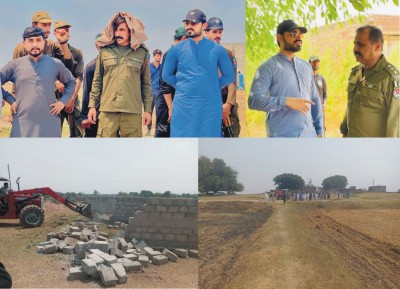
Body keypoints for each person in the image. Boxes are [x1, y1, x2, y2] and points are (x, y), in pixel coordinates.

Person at [162, 9, 235, 137]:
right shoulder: (176, 50)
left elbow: (229, 76)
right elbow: (166, 75)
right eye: (187, 23)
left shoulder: (218, 50)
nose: (189, 26)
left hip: (210, 106)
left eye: (194, 23)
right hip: (183, 105)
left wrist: (212, 85)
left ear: (204, 25)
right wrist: (182, 85)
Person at [248, 19, 323, 137]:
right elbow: (253, 101)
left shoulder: (306, 67)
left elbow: (315, 99)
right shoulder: (267, 68)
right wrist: (285, 101)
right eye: (293, 34)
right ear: (280, 38)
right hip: (282, 137)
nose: (299, 38)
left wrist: (319, 131)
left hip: (309, 135)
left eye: (300, 35)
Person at [0, 27, 76, 137]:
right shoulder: (14, 65)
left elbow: (71, 82)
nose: (35, 44)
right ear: (24, 43)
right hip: (22, 126)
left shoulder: (56, 64)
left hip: (50, 125)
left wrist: (62, 102)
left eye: (38, 40)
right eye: (30, 41)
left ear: (44, 42)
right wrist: (11, 100)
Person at [87, 12, 152, 137]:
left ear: (130, 31)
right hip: (108, 111)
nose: (117, 34)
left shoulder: (141, 53)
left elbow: (146, 84)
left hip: (132, 111)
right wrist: (92, 106)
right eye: (116, 30)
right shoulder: (105, 51)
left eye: (122, 30)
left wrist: (148, 110)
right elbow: (97, 80)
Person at [340, 25, 400, 137]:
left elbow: (395, 122)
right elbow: (351, 106)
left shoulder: (390, 78)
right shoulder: (355, 73)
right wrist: (344, 132)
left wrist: (389, 150)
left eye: (360, 45)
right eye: (355, 44)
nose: (355, 49)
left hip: (375, 150)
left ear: (377, 47)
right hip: (352, 145)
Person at [205, 17, 241, 137]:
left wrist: (228, 104)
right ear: (206, 32)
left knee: (232, 133)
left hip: (226, 100)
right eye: (214, 32)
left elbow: (232, 81)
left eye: (220, 32)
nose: (218, 35)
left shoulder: (228, 54)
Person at [54, 20, 84, 137]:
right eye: (61, 30)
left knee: (77, 133)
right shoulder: (50, 50)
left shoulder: (77, 52)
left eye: (66, 30)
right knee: (53, 133)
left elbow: (79, 77)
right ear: (55, 33)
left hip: (72, 97)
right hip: (53, 97)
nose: (64, 32)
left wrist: (71, 98)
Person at [155, 27, 186, 138]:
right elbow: (165, 84)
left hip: (172, 100)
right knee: (163, 133)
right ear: (183, 39)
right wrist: (171, 107)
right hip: (165, 101)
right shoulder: (171, 54)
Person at [81, 33, 102, 137]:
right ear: (96, 46)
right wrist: (85, 116)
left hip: (113, 114)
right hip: (95, 113)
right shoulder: (91, 67)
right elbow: (86, 92)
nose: (103, 46)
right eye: (100, 43)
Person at [147, 49, 163, 135]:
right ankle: (149, 130)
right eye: (157, 55)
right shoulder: (149, 67)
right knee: (149, 112)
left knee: (159, 112)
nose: (159, 57)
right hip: (150, 93)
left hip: (159, 93)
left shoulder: (162, 67)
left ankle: (158, 130)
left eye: (160, 55)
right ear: (154, 56)